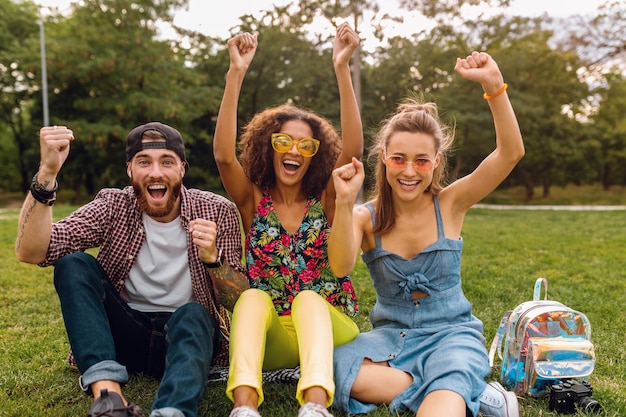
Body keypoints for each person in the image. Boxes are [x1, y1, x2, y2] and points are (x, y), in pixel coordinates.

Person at [328, 51, 525, 417]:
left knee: (441, 402)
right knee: (335, 367)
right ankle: (479, 399)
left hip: (451, 335)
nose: (409, 171)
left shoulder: (450, 203)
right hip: (391, 338)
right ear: (384, 156)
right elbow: (340, 267)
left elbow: (510, 153)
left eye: (421, 160)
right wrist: (342, 201)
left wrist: (494, 87)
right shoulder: (363, 217)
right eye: (399, 158)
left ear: (435, 163)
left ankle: (452, 387)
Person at [15, 122, 250, 417]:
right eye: (144, 162)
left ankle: (171, 410)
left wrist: (214, 258)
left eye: (167, 161)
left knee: (193, 314)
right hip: (121, 337)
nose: (155, 172)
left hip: (184, 337)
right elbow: (33, 252)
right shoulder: (113, 205)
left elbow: (240, 302)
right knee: (73, 264)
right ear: (129, 170)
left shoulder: (217, 211)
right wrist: (47, 174)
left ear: (182, 169)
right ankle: (109, 398)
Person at [212, 22, 364, 417]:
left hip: (332, 326)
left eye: (305, 144)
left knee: (309, 299)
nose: (293, 149)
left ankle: (315, 406)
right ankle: (244, 408)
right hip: (276, 337)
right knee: (252, 297)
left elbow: (354, 150)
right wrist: (236, 74)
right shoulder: (253, 201)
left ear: (315, 155)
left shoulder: (327, 199)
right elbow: (225, 157)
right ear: (270, 147)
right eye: (283, 141)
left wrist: (342, 69)